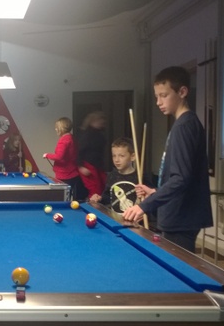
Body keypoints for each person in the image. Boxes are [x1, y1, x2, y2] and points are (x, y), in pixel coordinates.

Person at [122, 66, 212, 252]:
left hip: (180, 217)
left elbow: (181, 178)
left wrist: (144, 206)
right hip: (181, 215)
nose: (158, 102)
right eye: (157, 96)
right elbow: (183, 175)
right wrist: (155, 192)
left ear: (182, 92)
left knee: (178, 267)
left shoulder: (184, 127)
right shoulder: (186, 123)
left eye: (163, 95)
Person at [90, 137, 152, 214]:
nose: (116, 160)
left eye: (121, 156)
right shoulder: (111, 176)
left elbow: (151, 200)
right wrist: (99, 198)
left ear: (132, 157)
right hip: (115, 219)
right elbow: (108, 198)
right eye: (114, 156)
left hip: (135, 219)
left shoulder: (141, 176)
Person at [42, 117, 81, 201]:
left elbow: (59, 156)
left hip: (65, 174)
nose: (55, 129)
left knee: (61, 198)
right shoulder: (71, 138)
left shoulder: (63, 140)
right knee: (68, 196)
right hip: (73, 172)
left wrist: (47, 155)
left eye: (57, 127)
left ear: (61, 128)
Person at [74, 111, 108, 201]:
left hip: (98, 165)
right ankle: (93, 208)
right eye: (100, 119)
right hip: (88, 165)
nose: (102, 121)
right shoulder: (86, 135)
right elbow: (79, 151)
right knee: (95, 190)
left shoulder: (99, 134)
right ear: (93, 121)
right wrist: (81, 166)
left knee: (103, 188)